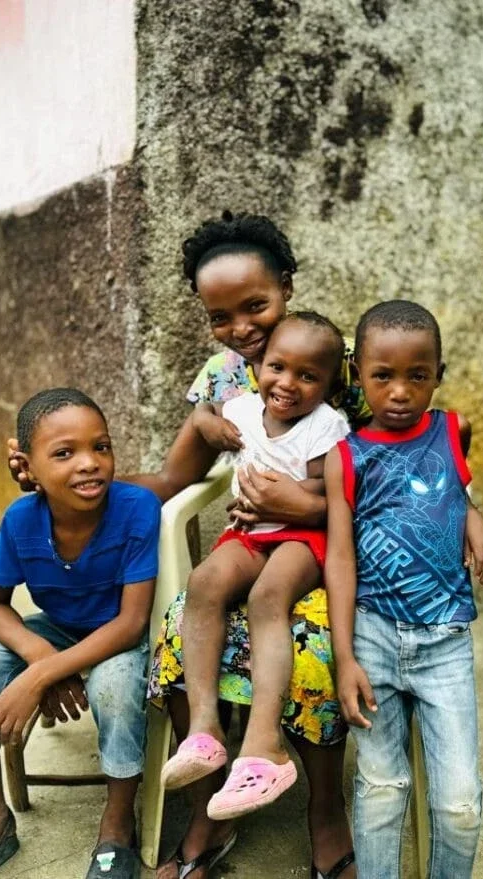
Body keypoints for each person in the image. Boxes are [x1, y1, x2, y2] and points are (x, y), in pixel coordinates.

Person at [8, 212, 483, 879]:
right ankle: (214, 776)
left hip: (340, 558)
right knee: (183, 618)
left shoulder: (348, 371)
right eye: (220, 316)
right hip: (253, 545)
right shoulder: (222, 382)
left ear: (287, 288)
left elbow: (405, 468)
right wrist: (64, 476)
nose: (241, 328)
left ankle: (324, 807)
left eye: (256, 306)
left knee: (317, 641)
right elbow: (173, 480)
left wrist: (297, 502)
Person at [0, 388, 161, 879]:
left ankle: (118, 828)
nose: (89, 463)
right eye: (64, 453)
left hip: (115, 634)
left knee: (118, 689)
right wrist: (40, 657)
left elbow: (131, 623)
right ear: (27, 468)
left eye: (101, 447)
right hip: (54, 630)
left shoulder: (136, 508)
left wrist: (42, 675)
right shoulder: (21, 520)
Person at [324, 301, 483, 879]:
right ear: (358, 375)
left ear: (438, 374)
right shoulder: (345, 457)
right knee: (380, 787)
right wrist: (344, 655)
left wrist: (477, 522)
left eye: (417, 375)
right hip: (371, 636)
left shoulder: (450, 428)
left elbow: (454, 488)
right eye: (382, 376)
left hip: (445, 643)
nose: (399, 391)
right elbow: (339, 557)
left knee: (460, 804)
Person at [161, 312, 351, 823]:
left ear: (328, 384)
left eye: (307, 376)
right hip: (248, 533)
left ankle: (265, 744)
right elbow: (207, 414)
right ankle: (206, 732)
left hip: (303, 536)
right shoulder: (244, 410)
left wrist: (284, 500)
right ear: (258, 367)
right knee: (205, 582)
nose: (287, 384)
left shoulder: (326, 425)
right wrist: (203, 420)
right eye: (276, 367)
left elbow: (326, 492)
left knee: (270, 597)